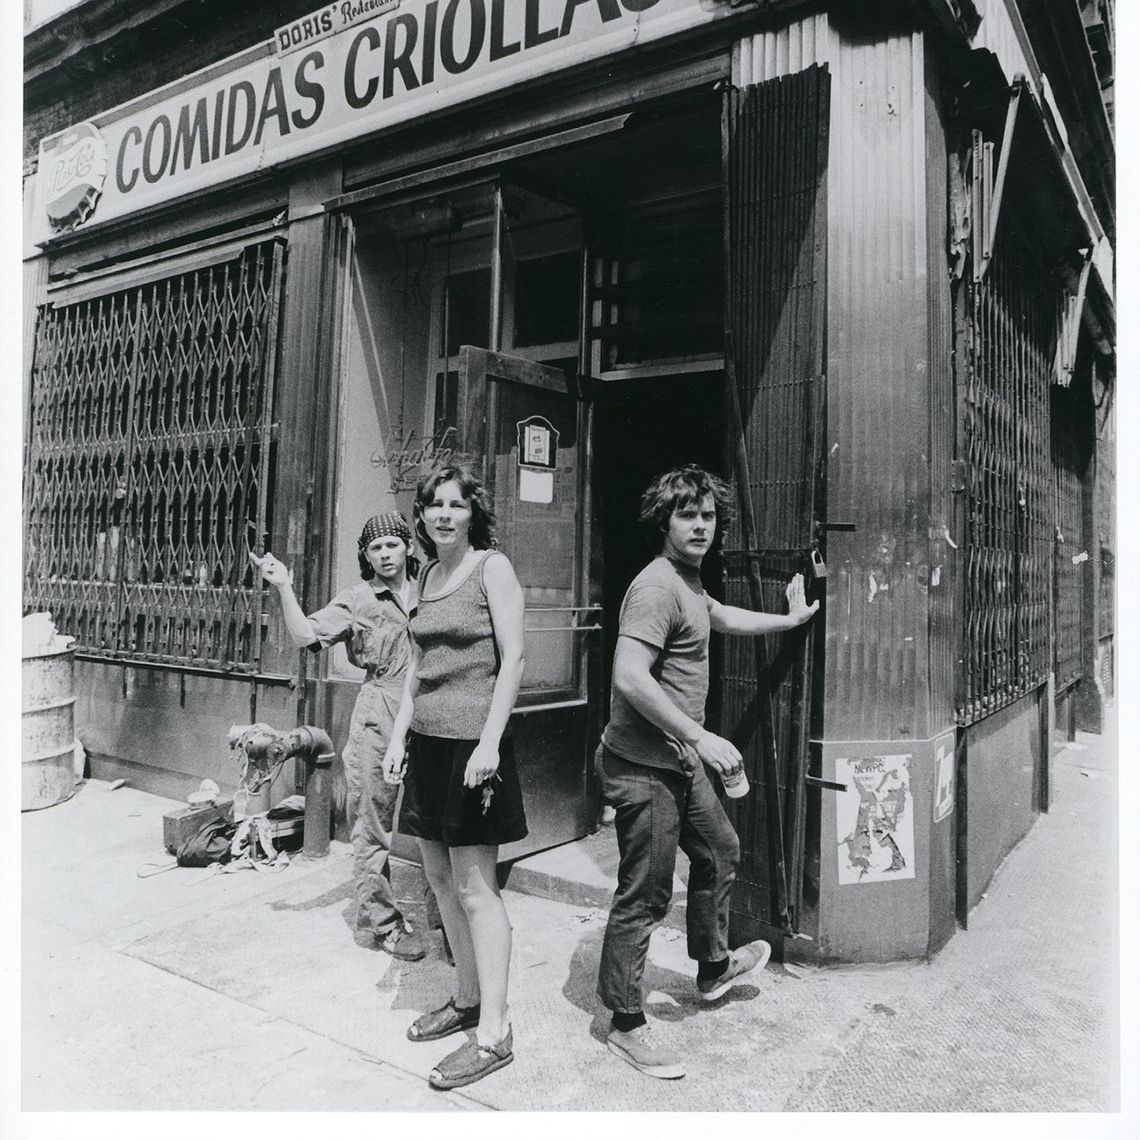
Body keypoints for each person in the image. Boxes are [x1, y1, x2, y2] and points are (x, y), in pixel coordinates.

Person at [596, 464, 819, 1080]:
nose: (700, 526)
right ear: (663, 521)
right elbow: (629, 676)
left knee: (720, 849)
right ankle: (624, 1022)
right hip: (644, 766)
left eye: (709, 516)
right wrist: (699, 735)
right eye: (687, 515)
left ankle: (713, 967)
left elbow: (718, 616)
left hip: (677, 759)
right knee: (643, 896)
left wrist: (788, 621)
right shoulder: (655, 588)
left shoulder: (689, 583)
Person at [382, 462, 528, 1092]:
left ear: (474, 513)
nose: (443, 514)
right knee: (439, 880)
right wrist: (397, 736)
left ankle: (494, 1033)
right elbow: (419, 665)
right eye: (433, 505)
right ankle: (466, 997)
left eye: (456, 505)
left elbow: (515, 656)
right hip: (429, 746)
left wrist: (491, 740)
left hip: (475, 750)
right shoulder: (428, 576)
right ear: (422, 515)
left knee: (475, 889)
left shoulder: (490, 567)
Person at [249, 512, 436, 962]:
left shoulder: (434, 587)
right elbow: (306, 637)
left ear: (409, 547)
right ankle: (383, 921)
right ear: (366, 556)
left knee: (435, 819)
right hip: (379, 713)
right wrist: (283, 587)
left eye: (393, 544)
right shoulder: (358, 599)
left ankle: (443, 916)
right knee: (372, 824)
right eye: (376, 548)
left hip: (430, 710)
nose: (385, 554)